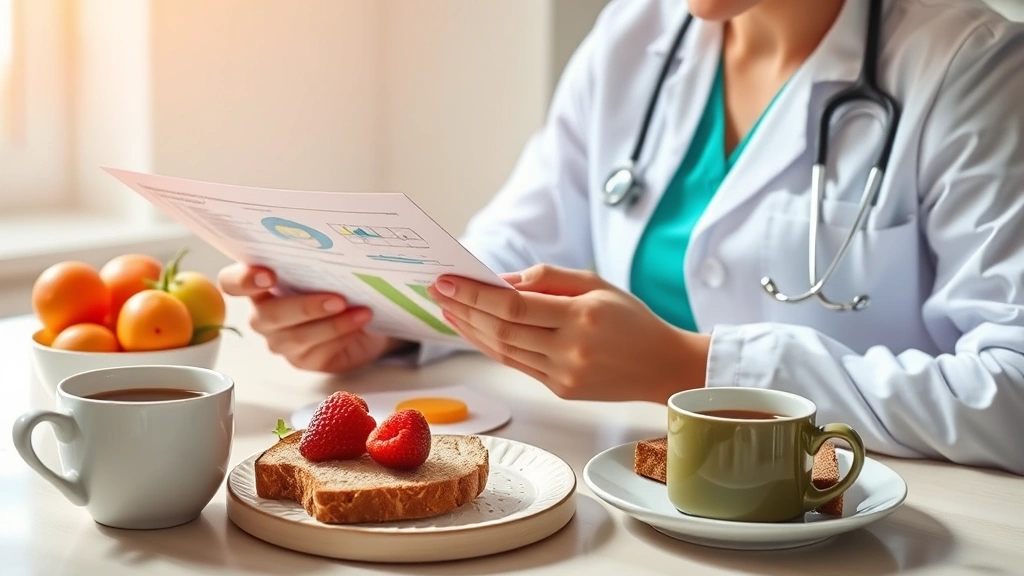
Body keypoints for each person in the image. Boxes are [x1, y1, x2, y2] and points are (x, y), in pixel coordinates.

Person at [219, 0, 1024, 475]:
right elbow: (504, 255)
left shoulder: (975, 68)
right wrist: (381, 330)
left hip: (861, 518)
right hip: (635, 490)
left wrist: (695, 368)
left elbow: (1012, 390)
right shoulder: (637, 34)